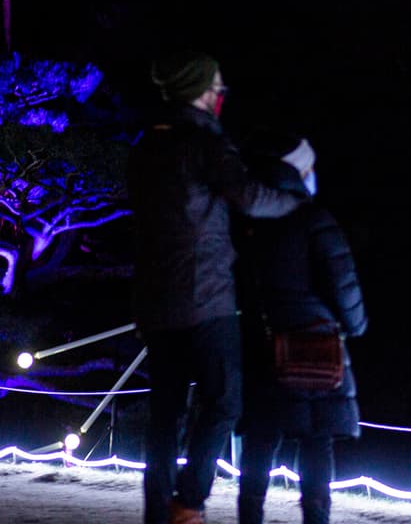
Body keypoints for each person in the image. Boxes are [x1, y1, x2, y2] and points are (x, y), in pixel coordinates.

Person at [127, 51, 308, 524]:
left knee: (164, 414)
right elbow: (249, 196)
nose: (221, 95)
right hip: (206, 299)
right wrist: (295, 202)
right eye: (217, 87)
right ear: (200, 91)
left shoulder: (145, 146)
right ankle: (188, 503)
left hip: (154, 302)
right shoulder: (204, 144)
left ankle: (157, 512)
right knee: (224, 402)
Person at [234, 133, 368, 524]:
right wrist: (355, 325)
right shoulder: (315, 220)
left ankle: (250, 516)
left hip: (261, 346)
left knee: (260, 439)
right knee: (317, 440)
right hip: (316, 348)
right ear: (298, 173)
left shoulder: (248, 220)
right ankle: (315, 518)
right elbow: (343, 284)